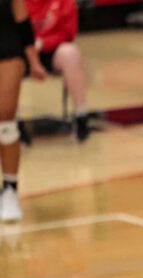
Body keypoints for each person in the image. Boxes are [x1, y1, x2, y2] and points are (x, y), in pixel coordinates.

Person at [0, 0, 46, 222]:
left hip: (6, 48)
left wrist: (34, 61)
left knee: (5, 118)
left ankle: (10, 190)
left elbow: (22, 20)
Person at [26, 0, 90, 141]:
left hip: (51, 50)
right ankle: (10, 122)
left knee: (71, 53)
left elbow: (68, 33)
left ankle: (81, 116)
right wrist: (29, 47)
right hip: (22, 51)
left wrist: (44, 43)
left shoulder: (64, 2)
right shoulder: (17, 4)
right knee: (6, 63)